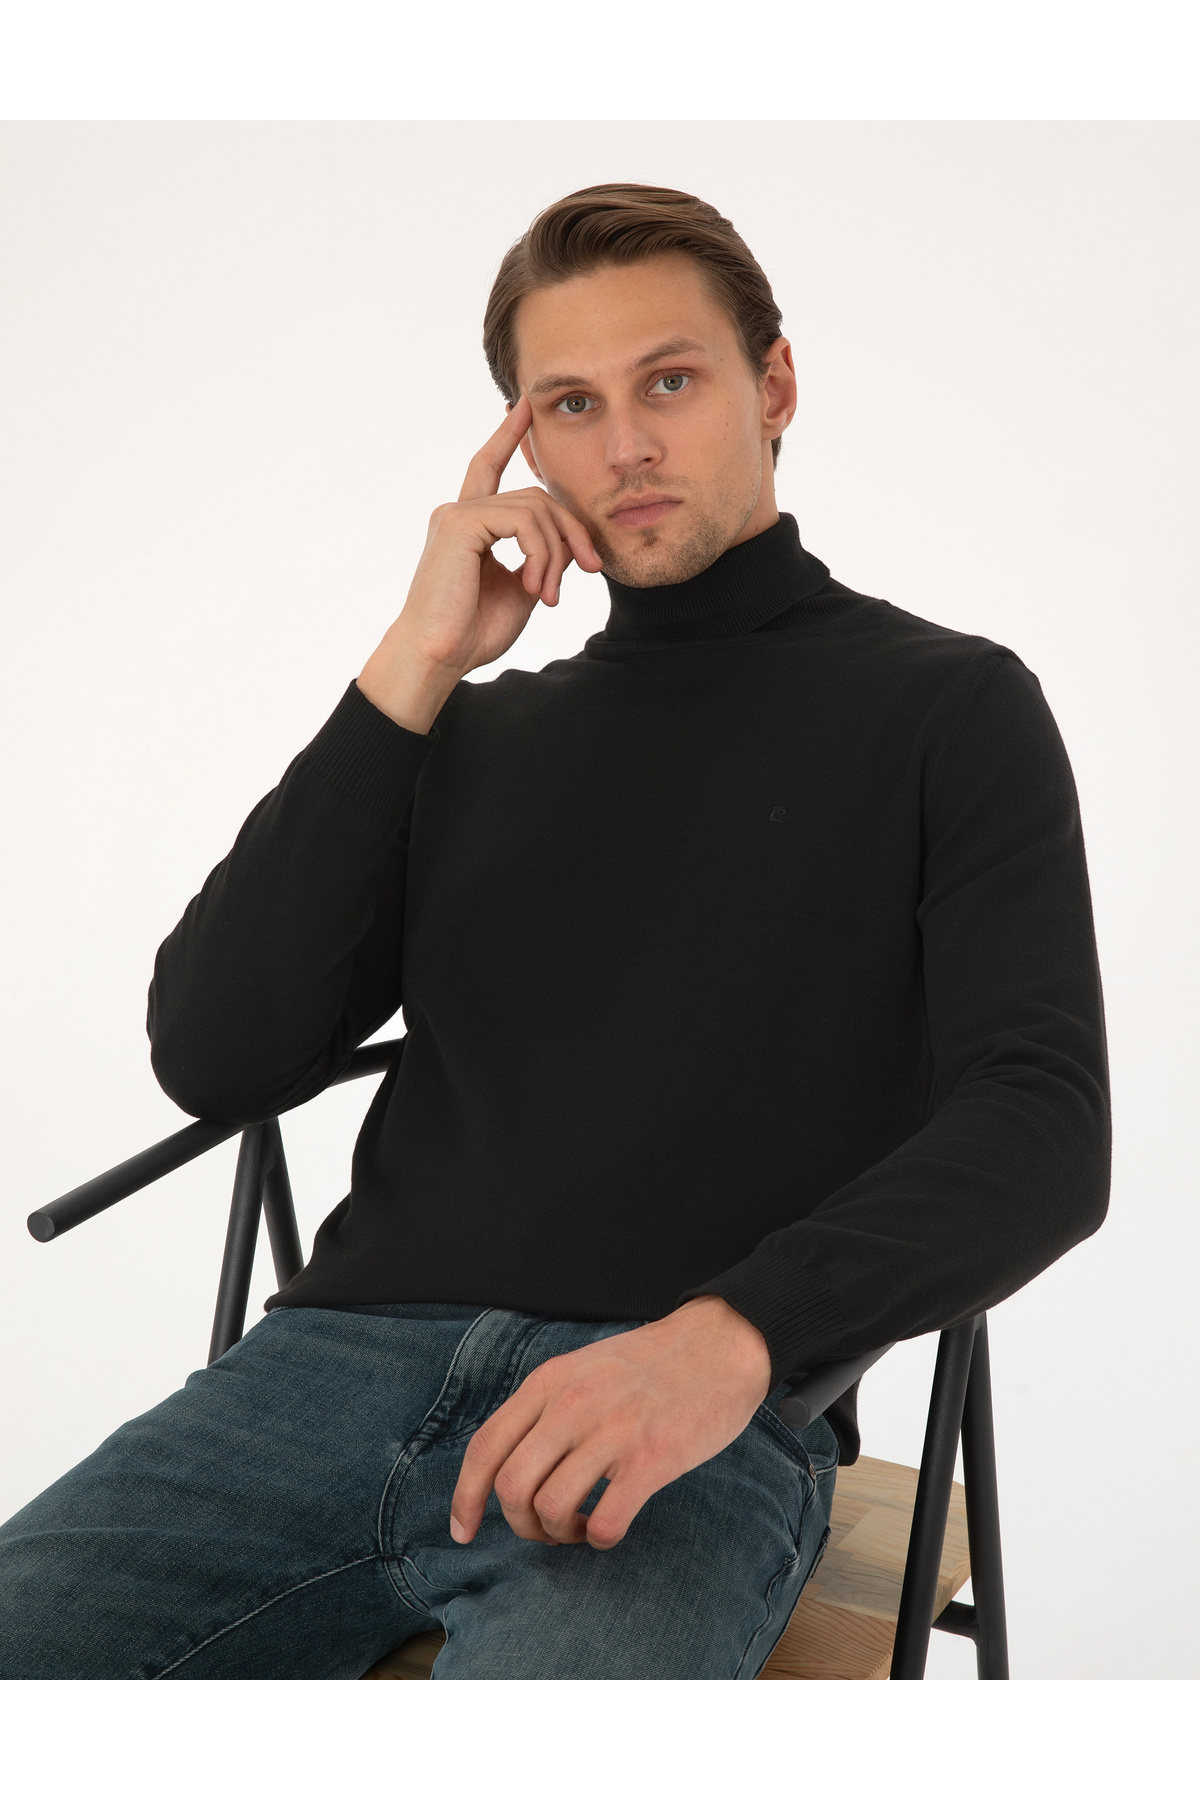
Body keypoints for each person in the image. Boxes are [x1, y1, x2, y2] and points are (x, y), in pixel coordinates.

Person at [0, 183, 1110, 1680]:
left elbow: (1043, 1121)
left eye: (671, 381)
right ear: (522, 445)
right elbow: (217, 1052)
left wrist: (733, 1340)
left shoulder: (949, 706)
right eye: (571, 404)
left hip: (673, 1406)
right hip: (322, 1378)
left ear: (775, 387)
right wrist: (415, 662)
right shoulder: (467, 732)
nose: (626, 445)